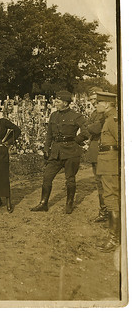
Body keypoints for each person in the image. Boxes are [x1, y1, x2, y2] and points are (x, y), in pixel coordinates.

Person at [31, 90, 88, 214]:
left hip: (71, 152)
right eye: (55, 101)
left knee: (70, 179)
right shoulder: (53, 115)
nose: (55, 103)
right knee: (47, 176)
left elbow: (87, 130)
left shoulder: (76, 116)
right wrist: (46, 149)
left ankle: (69, 204)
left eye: (58, 101)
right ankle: (43, 203)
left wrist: (77, 139)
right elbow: (49, 135)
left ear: (66, 103)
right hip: (56, 152)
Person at [94, 92, 120, 252]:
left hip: (111, 164)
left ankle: (113, 239)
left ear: (107, 104)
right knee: (111, 198)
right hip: (107, 163)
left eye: (98, 102)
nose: (95, 105)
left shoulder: (112, 120)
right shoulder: (109, 119)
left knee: (111, 198)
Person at [85, 87, 108, 222]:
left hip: (102, 151)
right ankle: (103, 210)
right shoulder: (95, 113)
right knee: (99, 182)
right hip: (95, 151)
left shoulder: (104, 114)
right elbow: (90, 128)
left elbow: (94, 128)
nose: (93, 102)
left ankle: (107, 211)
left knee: (104, 182)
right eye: (91, 100)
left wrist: (88, 126)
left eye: (95, 99)